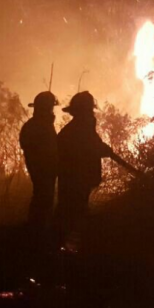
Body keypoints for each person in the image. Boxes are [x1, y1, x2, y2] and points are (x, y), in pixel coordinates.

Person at [54, 91, 114, 252]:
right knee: (72, 214)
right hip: (75, 181)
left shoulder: (80, 129)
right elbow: (88, 149)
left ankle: (64, 249)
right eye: (89, 111)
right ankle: (62, 251)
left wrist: (103, 148)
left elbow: (94, 146)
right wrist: (102, 149)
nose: (91, 114)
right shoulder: (78, 131)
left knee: (72, 213)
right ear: (82, 112)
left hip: (76, 181)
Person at [18, 91, 59, 229]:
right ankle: (37, 230)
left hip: (41, 168)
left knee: (42, 196)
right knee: (43, 197)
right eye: (50, 108)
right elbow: (47, 149)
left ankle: (37, 229)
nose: (52, 111)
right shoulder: (40, 126)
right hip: (42, 169)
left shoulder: (35, 125)